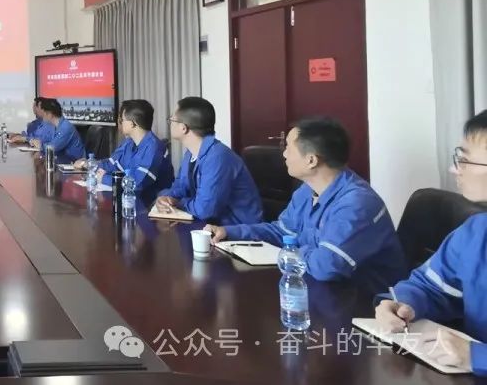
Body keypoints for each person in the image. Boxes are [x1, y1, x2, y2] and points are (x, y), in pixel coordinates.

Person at [205, 118, 405, 293]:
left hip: (368, 304)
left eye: (288, 148)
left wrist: (291, 251)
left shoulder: (356, 204)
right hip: (318, 289)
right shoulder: (307, 190)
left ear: (311, 160)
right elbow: (282, 232)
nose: (284, 154)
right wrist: (230, 232)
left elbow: (327, 266)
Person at [375, 110, 487, 375]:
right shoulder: (475, 232)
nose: (454, 169)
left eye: (464, 160)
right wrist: (403, 304)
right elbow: (432, 286)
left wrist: (476, 357)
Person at [155, 97, 262, 225]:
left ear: (184, 128)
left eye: (172, 120)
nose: (170, 123)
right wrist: (165, 198)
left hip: (237, 230)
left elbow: (205, 209)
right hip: (210, 226)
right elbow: (179, 186)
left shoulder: (218, 157)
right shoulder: (191, 153)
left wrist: (177, 202)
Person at [76, 100, 174, 206]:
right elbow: (111, 164)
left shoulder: (154, 147)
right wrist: (89, 164)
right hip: (130, 199)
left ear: (132, 123)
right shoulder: (129, 142)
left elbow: (137, 184)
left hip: (150, 205)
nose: (120, 123)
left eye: (122, 120)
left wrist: (104, 178)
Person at [31, 98, 85, 164]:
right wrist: (36, 141)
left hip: (74, 163)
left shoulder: (66, 127)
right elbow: (48, 140)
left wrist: (41, 145)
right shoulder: (55, 126)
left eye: (44, 113)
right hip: (63, 160)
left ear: (50, 114)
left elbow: (53, 148)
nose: (42, 116)